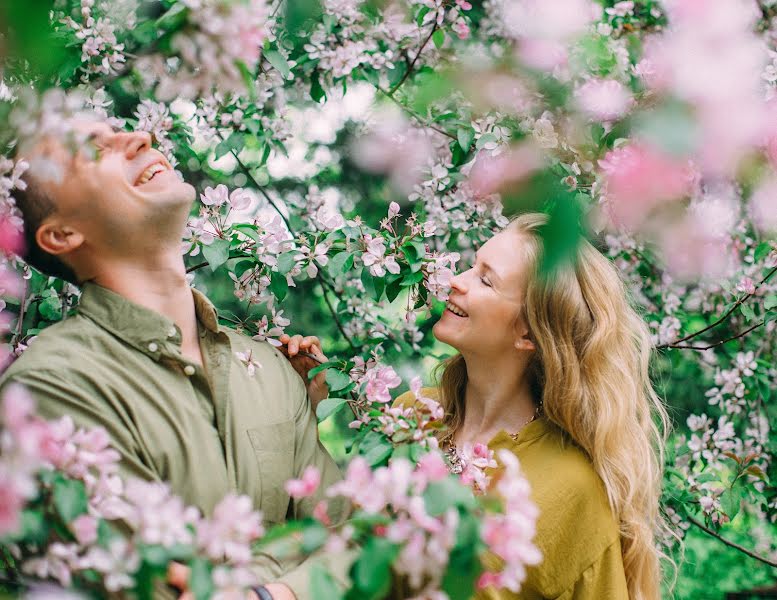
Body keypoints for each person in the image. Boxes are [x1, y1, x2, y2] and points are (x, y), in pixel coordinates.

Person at [0, 117, 348, 600]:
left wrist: (271, 595)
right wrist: (299, 571)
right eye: (92, 150)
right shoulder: (49, 388)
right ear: (62, 234)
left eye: (122, 129)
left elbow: (355, 541)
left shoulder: (271, 368)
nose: (141, 138)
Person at [390, 212, 672, 599]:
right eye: (473, 266)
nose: (456, 281)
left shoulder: (572, 491)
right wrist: (309, 408)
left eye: (485, 280)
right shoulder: (411, 414)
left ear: (528, 332)